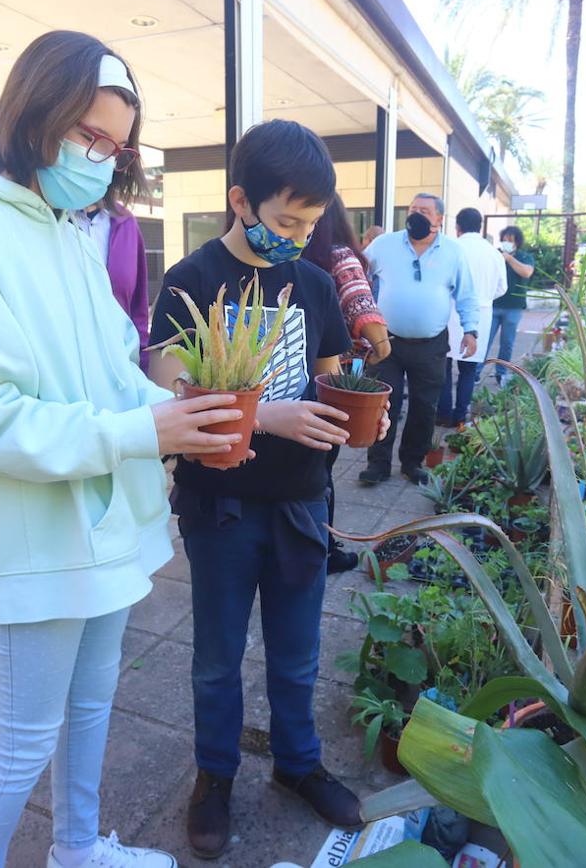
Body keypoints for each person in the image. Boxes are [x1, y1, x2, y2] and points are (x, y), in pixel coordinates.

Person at [0, 30, 246, 868]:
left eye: (116, 145)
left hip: (99, 521)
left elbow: (109, 369)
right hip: (31, 535)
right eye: (88, 134)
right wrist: (142, 431)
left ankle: (78, 848)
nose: (101, 158)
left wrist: (175, 410)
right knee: (21, 737)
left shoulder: (64, 230)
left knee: (92, 704)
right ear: (34, 112)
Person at [149, 120, 383, 861]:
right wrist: (268, 413)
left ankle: (298, 763)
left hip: (301, 501)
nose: (299, 235)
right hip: (218, 504)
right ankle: (214, 777)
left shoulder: (313, 283)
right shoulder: (191, 279)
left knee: (297, 652)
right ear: (240, 201)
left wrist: (354, 406)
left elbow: (332, 371)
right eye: (286, 221)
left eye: (310, 223)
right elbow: (163, 383)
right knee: (217, 656)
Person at [358, 194, 479, 486]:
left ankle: (412, 463)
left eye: (424, 211)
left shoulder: (454, 252)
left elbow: (466, 294)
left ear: (439, 219)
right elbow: (358, 274)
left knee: (425, 407)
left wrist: (471, 330)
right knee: (384, 403)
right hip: (386, 342)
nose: (417, 215)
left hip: (431, 345)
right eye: (413, 210)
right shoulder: (384, 245)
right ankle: (378, 464)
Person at [303, 193, 390, 575]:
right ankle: (325, 548)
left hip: (285, 374)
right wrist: (380, 346)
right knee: (321, 467)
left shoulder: (290, 256)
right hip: (331, 379)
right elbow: (360, 305)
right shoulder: (338, 255)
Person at [437, 207, 507, 427]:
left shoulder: (450, 247)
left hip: (449, 311)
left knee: (444, 365)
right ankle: (460, 417)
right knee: (468, 370)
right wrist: (484, 297)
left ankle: (444, 414)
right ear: (480, 227)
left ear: (457, 227)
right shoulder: (494, 253)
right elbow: (501, 288)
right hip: (480, 315)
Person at [72, 201, 152, 369]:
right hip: (72, 361)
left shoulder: (126, 222)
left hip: (122, 364)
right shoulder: (55, 220)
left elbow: (139, 306)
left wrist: (143, 362)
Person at [488, 224, 536, 386]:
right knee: (485, 341)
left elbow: (527, 272)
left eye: (510, 239)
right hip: (493, 305)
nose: (507, 242)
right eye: (504, 239)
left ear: (517, 242)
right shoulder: (494, 255)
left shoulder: (524, 257)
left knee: (507, 343)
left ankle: (501, 373)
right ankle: (475, 372)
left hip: (514, 307)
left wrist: (509, 258)